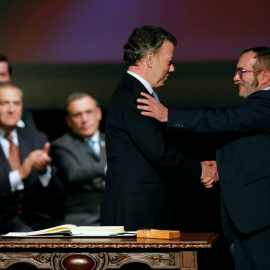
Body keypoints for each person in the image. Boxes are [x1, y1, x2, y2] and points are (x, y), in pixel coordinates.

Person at [137, 46, 270, 270]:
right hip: (254, 221)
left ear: (264, 75)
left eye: (241, 71)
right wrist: (222, 168)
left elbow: (225, 120)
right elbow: (259, 155)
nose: (235, 78)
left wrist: (169, 115)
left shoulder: (265, 103)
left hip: (261, 220)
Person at [100, 25, 218, 231]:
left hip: (143, 207)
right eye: (169, 62)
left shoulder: (135, 92)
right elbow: (159, 153)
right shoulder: (134, 96)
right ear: (150, 58)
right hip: (135, 212)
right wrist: (200, 169)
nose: (172, 69)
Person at [0, 82, 63, 233]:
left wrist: (43, 172)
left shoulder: (37, 138)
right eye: (4, 103)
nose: (11, 109)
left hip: (35, 218)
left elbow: (58, 194)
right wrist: (20, 173)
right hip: (2, 218)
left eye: (16, 103)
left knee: (67, 235)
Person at [51, 93, 106, 226]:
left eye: (88, 112)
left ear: (98, 113)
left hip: (117, 212)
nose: (84, 119)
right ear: (69, 121)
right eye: (77, 115)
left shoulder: (115, 141)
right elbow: (73, 175)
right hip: (83, 218)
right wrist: (106, 168)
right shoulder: (62, 145)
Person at [0, 54, 36, 129]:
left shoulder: (23, 107)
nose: (11, 109)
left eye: (2, 75)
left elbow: (33, 136)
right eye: (4, 103)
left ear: (10, 77)